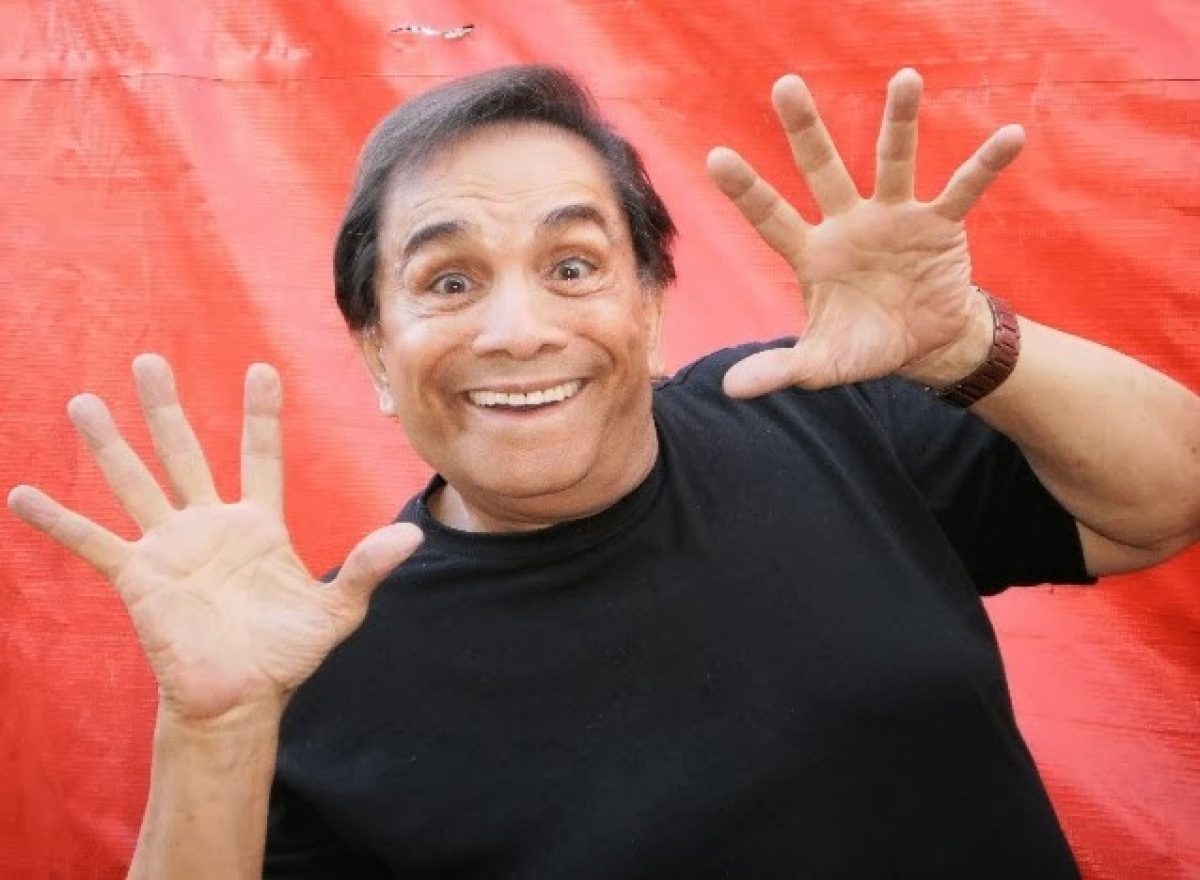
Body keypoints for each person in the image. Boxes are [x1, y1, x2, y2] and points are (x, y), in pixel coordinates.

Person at [8, 63, 1199, 878]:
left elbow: (1170, 498)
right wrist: (215, 731)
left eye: (573, 266)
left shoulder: (821, 415)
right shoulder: (310, 668)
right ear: (375, 353)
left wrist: (966, 342)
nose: (519, 330)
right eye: (449, 281)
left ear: (652, 306)